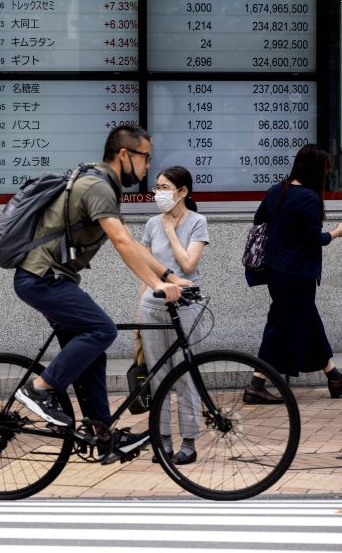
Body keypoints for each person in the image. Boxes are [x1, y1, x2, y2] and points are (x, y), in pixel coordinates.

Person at [12, 124, 189, 465]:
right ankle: (39, 389)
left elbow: (131, 241)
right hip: (42, 278)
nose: (147, 166)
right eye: (145, 157)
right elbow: (122, 243)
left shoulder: (102, 186)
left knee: (94, 353)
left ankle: (101, 435)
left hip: (51, 278)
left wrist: (169, 276)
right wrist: (155, 286)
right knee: (102, 330)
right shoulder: (97, 186)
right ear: (124, 154)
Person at [244, 144, 342, 403]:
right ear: (316, 170)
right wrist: (337, 232)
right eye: (325, 170)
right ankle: (256, 384)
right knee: (279, 327)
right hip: (298, 274)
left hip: (275, 271)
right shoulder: (309, 197)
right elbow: (312, 239)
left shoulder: (276, 190)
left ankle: (334, 377)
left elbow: (259, 219)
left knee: (309, 320)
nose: (327, 174)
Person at [136, 166, 208, 465]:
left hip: (186, 307)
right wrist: (138, 309)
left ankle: (189, 441)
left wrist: (170, 232)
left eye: (165, 188)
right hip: (152, 306)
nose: (158, 193)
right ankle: (162, 440)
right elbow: (145, 269)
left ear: (183, 192)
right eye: (157, 187)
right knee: (158, 375)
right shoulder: (151, 223)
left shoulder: (197, 221)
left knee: (186, 373)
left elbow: (188, 265)